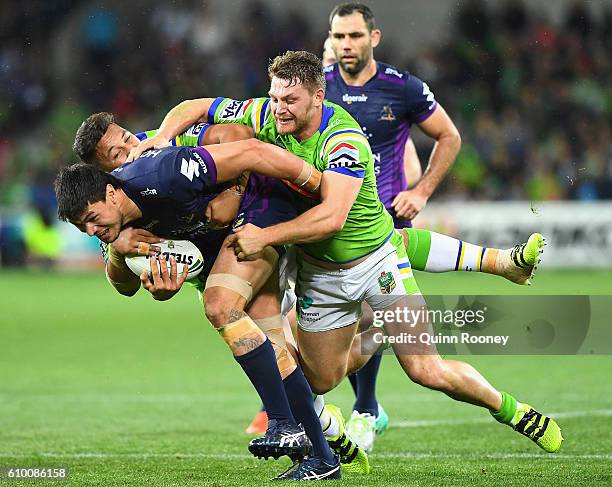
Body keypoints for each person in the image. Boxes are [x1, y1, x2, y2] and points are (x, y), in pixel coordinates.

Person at [130, 51, 563, 465]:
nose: (278, 109)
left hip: (379, 265)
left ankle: (512, 410)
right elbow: (196, 105)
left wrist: (266, 236)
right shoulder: (265, 114)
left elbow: (332, 218)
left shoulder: (343, 139)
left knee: (426, 369)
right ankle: (380, 331)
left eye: (289, 101)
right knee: (318, 380)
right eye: (275, 97)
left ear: (318, 97)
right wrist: (163, 139)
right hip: (320, 279)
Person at [72, 115, 367, 478]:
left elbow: (245, 143)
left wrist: (317, 190)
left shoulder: (164, 163)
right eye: (115, 154)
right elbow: (123, 286)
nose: (131, 150)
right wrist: (120, 250)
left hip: (255, 209)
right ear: (104, 175)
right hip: (212, 246)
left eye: (126, 139)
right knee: (270, 346)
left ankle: (284, 422)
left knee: (220, 305)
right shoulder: (111, 219)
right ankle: (321, 460)